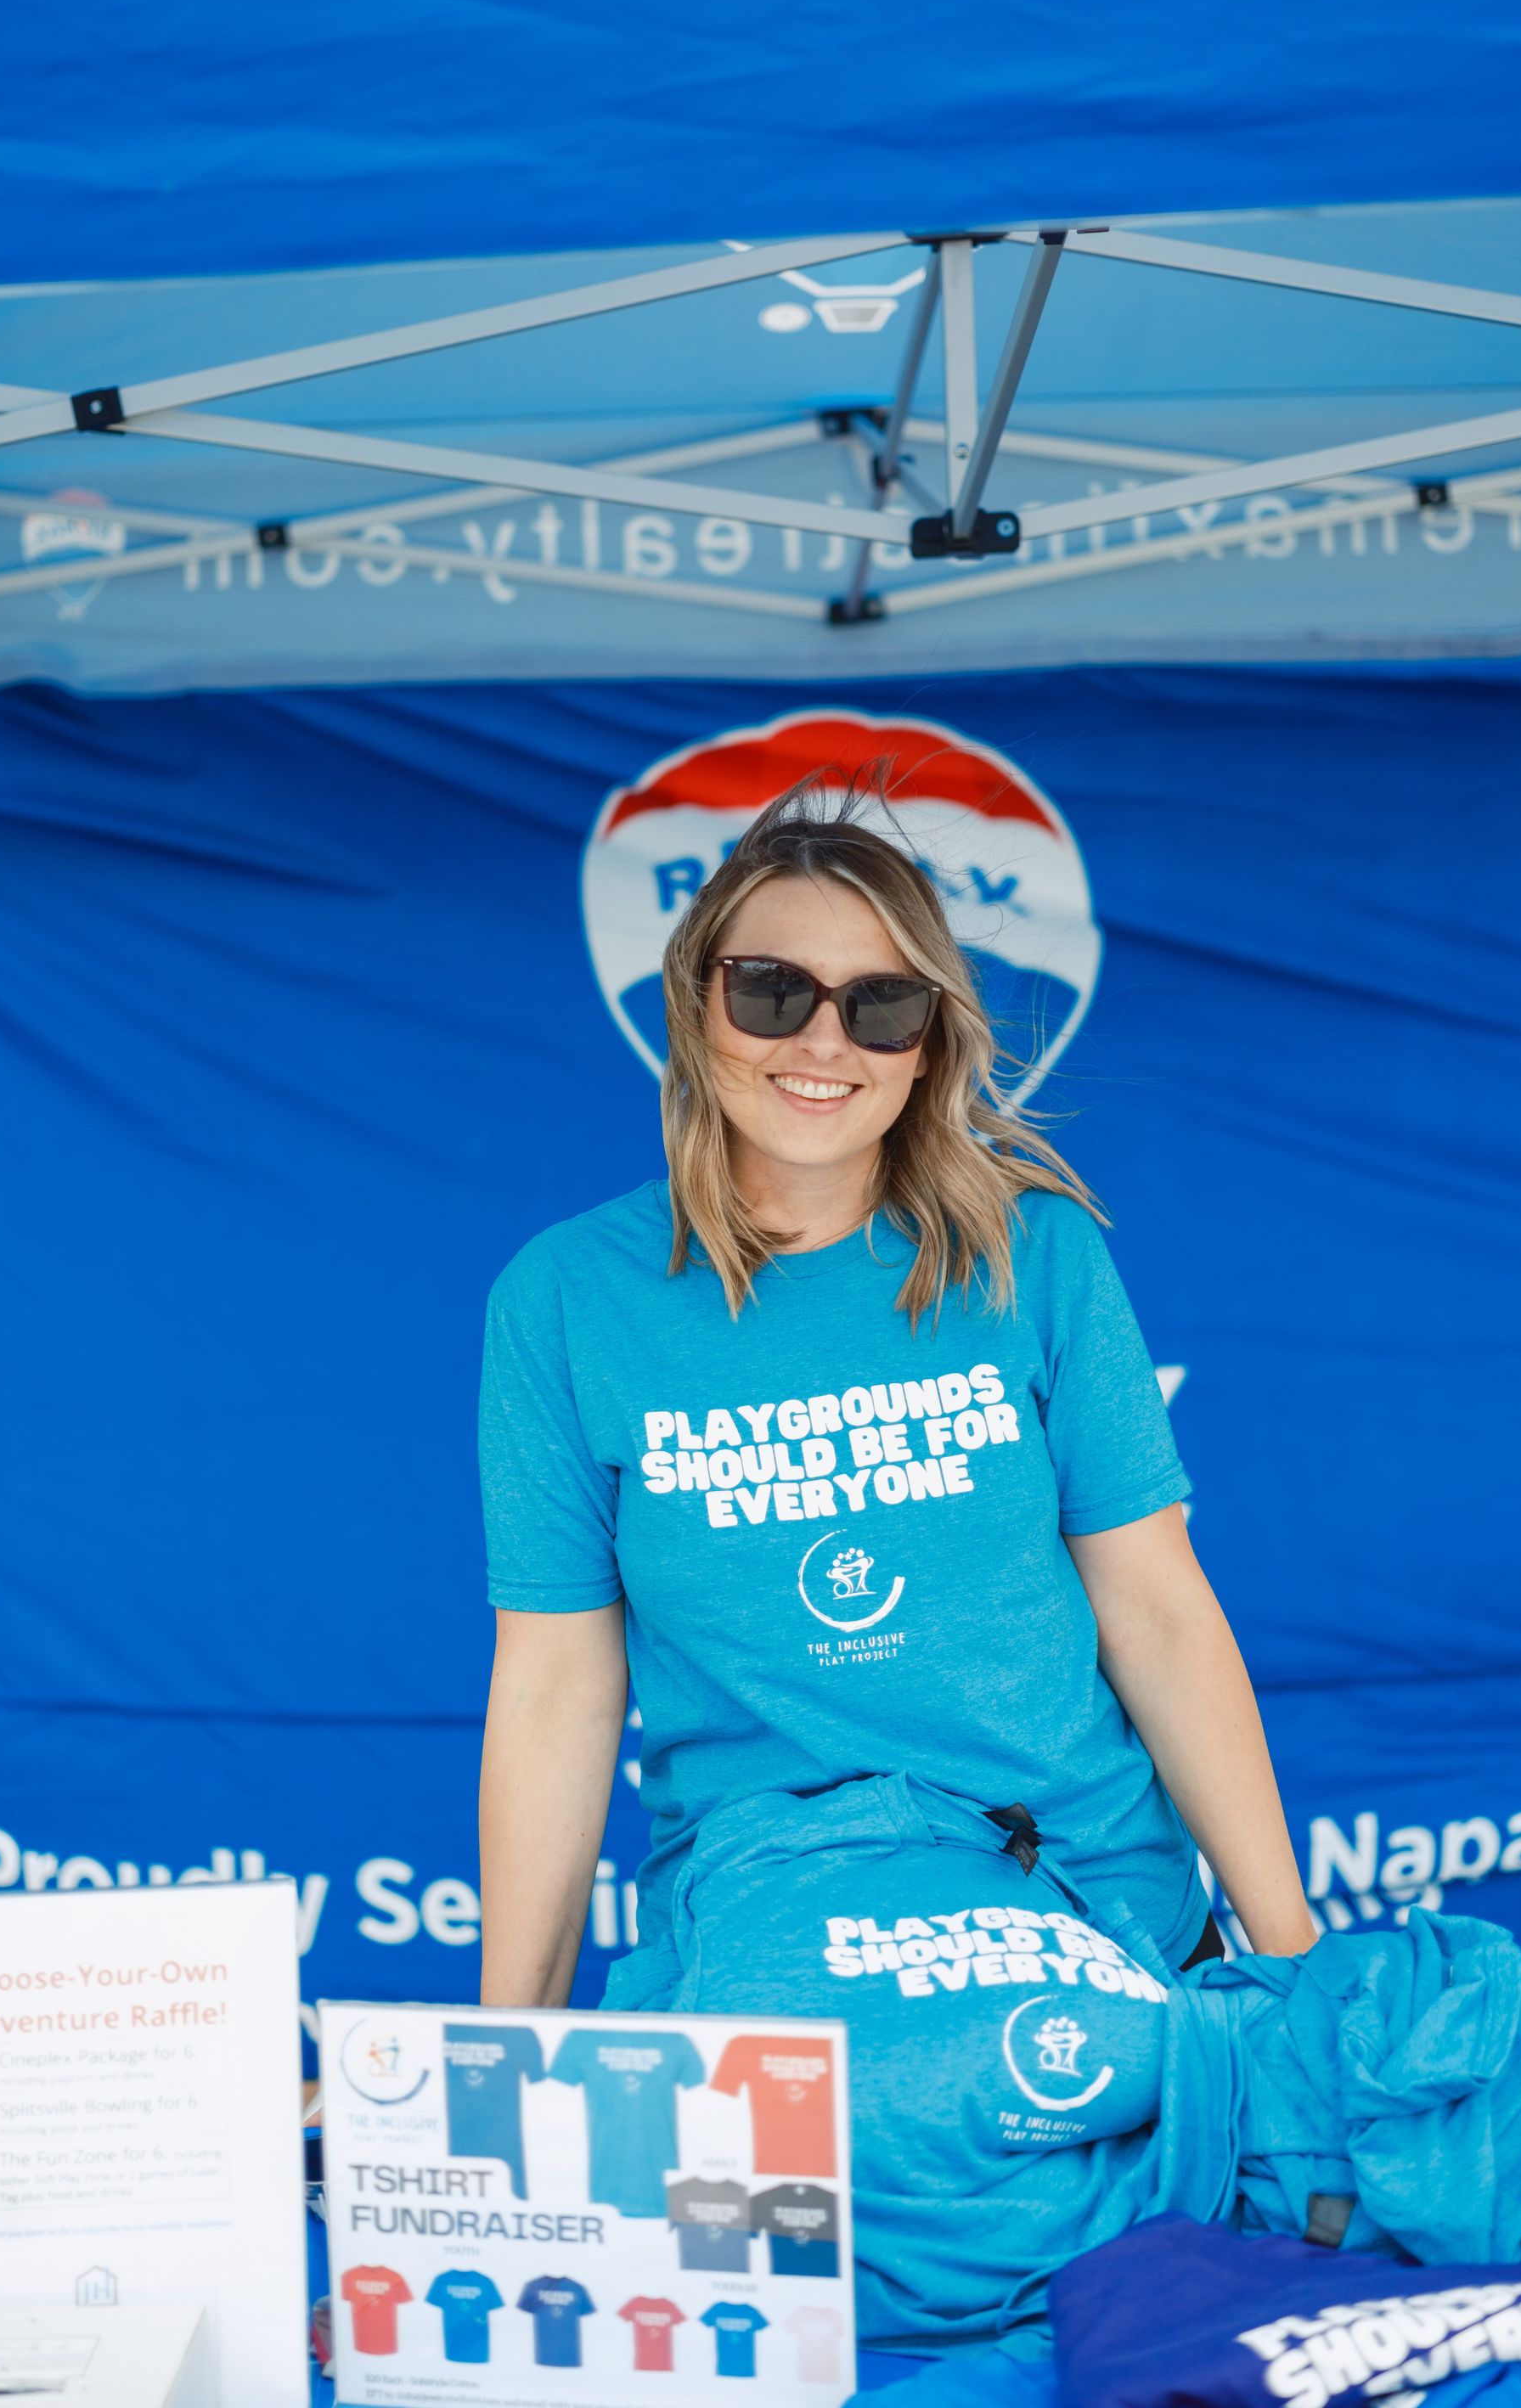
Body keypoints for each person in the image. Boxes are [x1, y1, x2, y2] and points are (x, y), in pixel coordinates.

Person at [476, 774, 1315, 2013]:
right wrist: (510, 2044)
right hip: (780, 1915)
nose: (824, 1044)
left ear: (930, 1044)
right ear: (697, 1006)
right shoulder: (564, 1298)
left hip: (1083, 1892)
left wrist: (1293, 1964)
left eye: (882, 1008)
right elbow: (556, 1684)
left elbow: (1158, 1610)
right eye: (772, 992)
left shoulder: (1038, 1257)